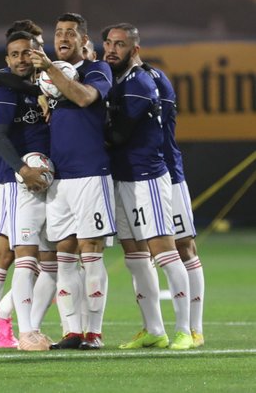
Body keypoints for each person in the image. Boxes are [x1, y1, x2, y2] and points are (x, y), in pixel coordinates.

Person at [102, 23, 194, 350]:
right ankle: (153, 328)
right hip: (122, 178)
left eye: (120, 44)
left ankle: (184, 329)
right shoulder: (116, 80)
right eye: (109, 43)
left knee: (166, 254)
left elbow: (118, 134)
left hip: (147, 178)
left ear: (135, 50)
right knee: (135, 256)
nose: (112, 49)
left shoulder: (140, 83)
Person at [30, 13, 116, 350]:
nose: (63, 37)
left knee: (90, 252)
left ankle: (93, 333)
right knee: (64, 253)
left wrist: (50, 69)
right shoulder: (46, 78)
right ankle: (73, 331)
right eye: (59, 32)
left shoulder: (96, 70)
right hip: (60, 178)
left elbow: (83, 98)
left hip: (91, 175)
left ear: (84, 41)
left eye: (70, 33)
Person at [0, 31, 52, 351]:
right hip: (13, 181)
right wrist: (21, 171)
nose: (22, 59)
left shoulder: (50, 86)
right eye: (15, 54)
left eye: (28, 52)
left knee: (41, 256)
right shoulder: (4, 92)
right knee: (7, 253)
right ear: (7, 59)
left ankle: (5, 320)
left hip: (45, 180)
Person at [134, 51, 205, 347]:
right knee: (143, 251)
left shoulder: (155, 79)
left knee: (183, 245)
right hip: (136, 177)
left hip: (168, 174)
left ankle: (194, 328)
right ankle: (153, 328)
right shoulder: (116, 80)